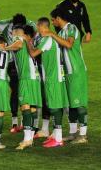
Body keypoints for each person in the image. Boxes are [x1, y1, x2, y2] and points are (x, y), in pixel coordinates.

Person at [43, 8, 89, 144]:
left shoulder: (72, 28)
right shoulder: (61, 32)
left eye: (53, 19)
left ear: (58, 18)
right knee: (70, 105)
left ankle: (83, 135)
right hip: (66, 73)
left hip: (76, 71)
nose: (52, 22)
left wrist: (51, 33)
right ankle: (73, 133)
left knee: (79, 104)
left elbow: (69, 44)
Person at [25, 17, 69, 148]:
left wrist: (28, 41)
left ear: (41, 26)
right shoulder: (50, 39)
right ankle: (56, 135)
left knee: (55, 107)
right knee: (54, 106)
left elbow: (33, 54)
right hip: (55, 77)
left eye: (38, 27)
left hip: (53, 78)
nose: (37, 30)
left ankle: (58, 139)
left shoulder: (47, 39)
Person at [3, 25, 42, 150]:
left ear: (16, 32)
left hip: (26, 78)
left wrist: (5, 48)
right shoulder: (27, 40)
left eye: (13, 32)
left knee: (25, 106)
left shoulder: (19, 38)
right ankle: (29, 138)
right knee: (32, 108)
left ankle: (26, 140)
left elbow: (18, 45)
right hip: (35, 77)